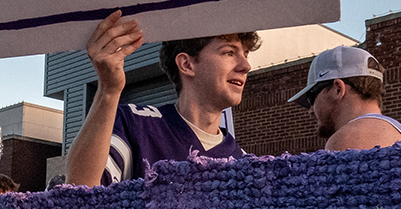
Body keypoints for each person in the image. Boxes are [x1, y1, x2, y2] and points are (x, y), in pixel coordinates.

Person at [65, 11, 261, 186]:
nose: (245, 66)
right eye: (229, 52)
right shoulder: (134, 125)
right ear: (187, 64)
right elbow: (80, 194)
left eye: (245, 54)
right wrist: (108, 91)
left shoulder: (245, 163)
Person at [289, 45, 401, 152]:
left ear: (337, 89)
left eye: (311, 98)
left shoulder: (349, 138)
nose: (310, 110)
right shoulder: (399, 133)